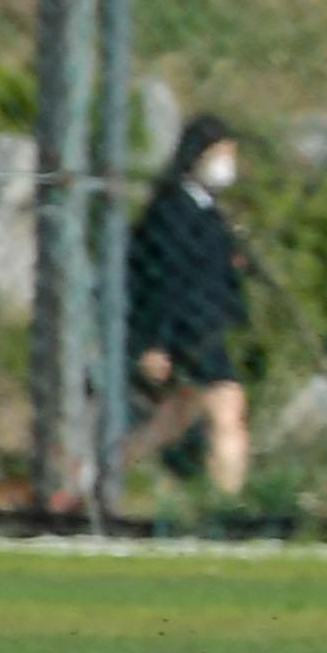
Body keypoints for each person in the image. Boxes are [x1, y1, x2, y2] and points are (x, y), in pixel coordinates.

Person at [119, 116, 253, 501]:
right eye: (221, 154)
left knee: (173, 419)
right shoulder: (172, 211)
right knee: (227, 410)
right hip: (186, 328)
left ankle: (93, 477)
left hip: (207, 325)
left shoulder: (209, 212)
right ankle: (227, 502)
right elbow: (164, 282)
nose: (228, 164)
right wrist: (155, 343)